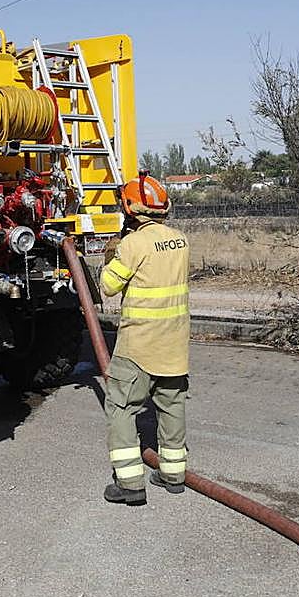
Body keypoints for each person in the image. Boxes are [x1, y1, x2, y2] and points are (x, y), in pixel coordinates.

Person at [99, 171, 191, 505]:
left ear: (129, 208)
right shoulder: (180, 240)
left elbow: (109, 286)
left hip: (138, 346)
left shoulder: (132, 244)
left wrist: (111, 255)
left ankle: (130, 484)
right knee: (171, 405)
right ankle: (173, 474)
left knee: (121, 407)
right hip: (175, 343)